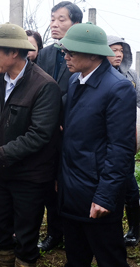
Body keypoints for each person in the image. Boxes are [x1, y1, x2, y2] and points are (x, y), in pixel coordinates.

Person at [0, 23, 61, 266]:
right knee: (0, 229)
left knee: (26, 235)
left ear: (14, 52)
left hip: (31, 176)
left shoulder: (44, 86)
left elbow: (39, 135)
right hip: (2, 172)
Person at [56, 22, 135, 267]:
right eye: (64, 52)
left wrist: (105, 196)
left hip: (96, 191)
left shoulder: (118, 88)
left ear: (93, 54)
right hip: (73, 187)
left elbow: (121, 149)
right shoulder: (74, 81)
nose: (66, 57)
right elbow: (70, 137)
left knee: (108, 257)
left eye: (71, 52)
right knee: (76, 256)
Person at [36, 1, 83, 251]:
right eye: (52, 19)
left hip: (69, 129)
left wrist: (61, 118)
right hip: (45, 130)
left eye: (61, 19)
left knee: (68, 183)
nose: (54, 24)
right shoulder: (44, 54)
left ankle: (73, 233)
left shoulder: (83, 54)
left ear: (76, 23)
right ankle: (54, 233)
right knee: (47, 183)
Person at [107, 35, 140, 247]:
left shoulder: (131, 75)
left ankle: (135, 229)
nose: (118, 54)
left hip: (127, 139)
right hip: (108, 140)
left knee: (129, 185)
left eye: (121, 50)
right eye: (114, 49)